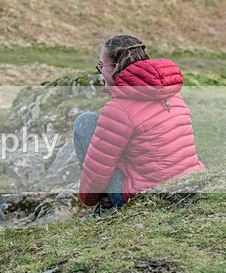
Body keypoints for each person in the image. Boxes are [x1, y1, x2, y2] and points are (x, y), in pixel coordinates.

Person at [74, 34, 204, 216]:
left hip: (150, 196)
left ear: (115, 67)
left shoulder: (118, 110)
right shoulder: (171, 92)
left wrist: (89, 199)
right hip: (189, 182)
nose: (100, 71)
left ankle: (107, 206)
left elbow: (97, 171)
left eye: (101, 66)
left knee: (85, 122)